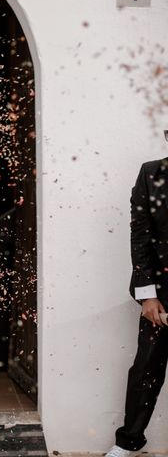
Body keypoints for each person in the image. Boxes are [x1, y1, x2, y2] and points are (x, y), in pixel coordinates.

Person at [106, 156, 168, 457]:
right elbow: (140, 235)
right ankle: (128, 442)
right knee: (146, 368)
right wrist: (147, 295)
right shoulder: (150, 173)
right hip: (161, 293)